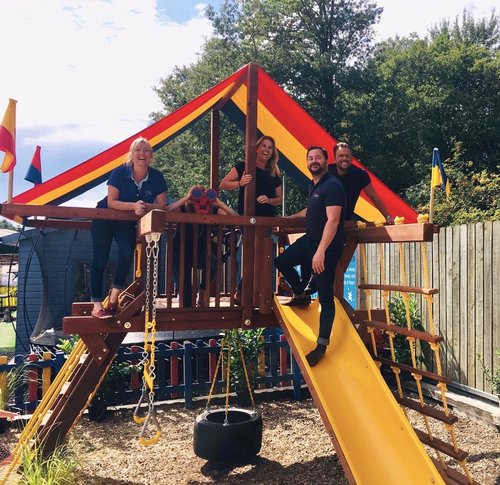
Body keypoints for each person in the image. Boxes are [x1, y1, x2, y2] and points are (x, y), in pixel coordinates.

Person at [274, 146, 345, 367]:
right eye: (310, 158)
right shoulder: (313, 185)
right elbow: (310, 211)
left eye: (318, 158)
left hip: (327, 246)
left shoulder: (332, 185)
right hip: (310, 240)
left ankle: (321, 346)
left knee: (325, 296)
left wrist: (321, 251)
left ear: (326, 161)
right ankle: (300, 293)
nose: (314, 161)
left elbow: (333, 221)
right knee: (281, 261)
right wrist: (287, 219)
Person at [90, 137, 167, 319]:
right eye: (138, 150)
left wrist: (145, 207)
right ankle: (96, 306)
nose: (142, 154)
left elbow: (161, 205)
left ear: (151, 155)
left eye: (146, 150)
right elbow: (111, 202)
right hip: (105, 218)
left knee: (126, 253)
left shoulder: (157, 177)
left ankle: (114, 296)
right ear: (131, 155)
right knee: (100, 260)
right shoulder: (119, 172)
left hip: (126, 221)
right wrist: (134, 206)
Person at [220, 135, 283, 302]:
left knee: (261, 257)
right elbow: (224, 183)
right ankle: (242, 293)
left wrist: (269, 200)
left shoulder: (273, 172)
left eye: (270, 148)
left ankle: (247, 293)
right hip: (247, 219)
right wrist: (240, 183)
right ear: (257, 148)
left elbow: (280, 199)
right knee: (252, 255)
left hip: (266, 220)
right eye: (264, 146)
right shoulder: (243, 166)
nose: (267, 150)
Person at [169, 186, 237, 307]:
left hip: (200, 250)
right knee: (187, 302)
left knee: (214, 262)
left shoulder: (213, 209)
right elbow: (166, 211)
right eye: (198, 193)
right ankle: (187, 299)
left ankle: (202, 291)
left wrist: (218, 203)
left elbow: (235, 218)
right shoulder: (183, 208)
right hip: (179, 252)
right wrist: (186, 199)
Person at [329, 142, 394, 223]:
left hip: (345, 222)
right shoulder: (326, 172)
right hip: (324, 220)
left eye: (347, 156)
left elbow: (373, 196)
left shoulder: (360, 175)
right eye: (341, 156)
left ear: (351, 158)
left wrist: (387, 216)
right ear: (335, 158)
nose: (344, 158)